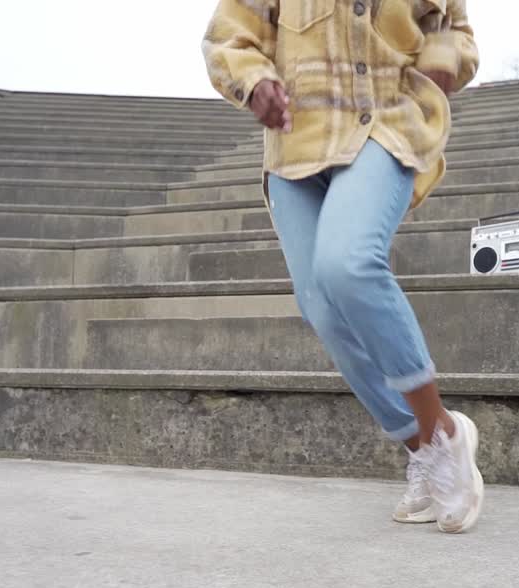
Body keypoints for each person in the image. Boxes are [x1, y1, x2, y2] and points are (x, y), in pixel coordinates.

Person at [203, 0, 482, 533]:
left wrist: (443, 59)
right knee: (322, 308)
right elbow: (229, 36)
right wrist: (254, 78)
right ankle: (420, 445)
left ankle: (441, 432)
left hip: (385, 117)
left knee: (347, 264)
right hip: (296, 143)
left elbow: (453, 31)